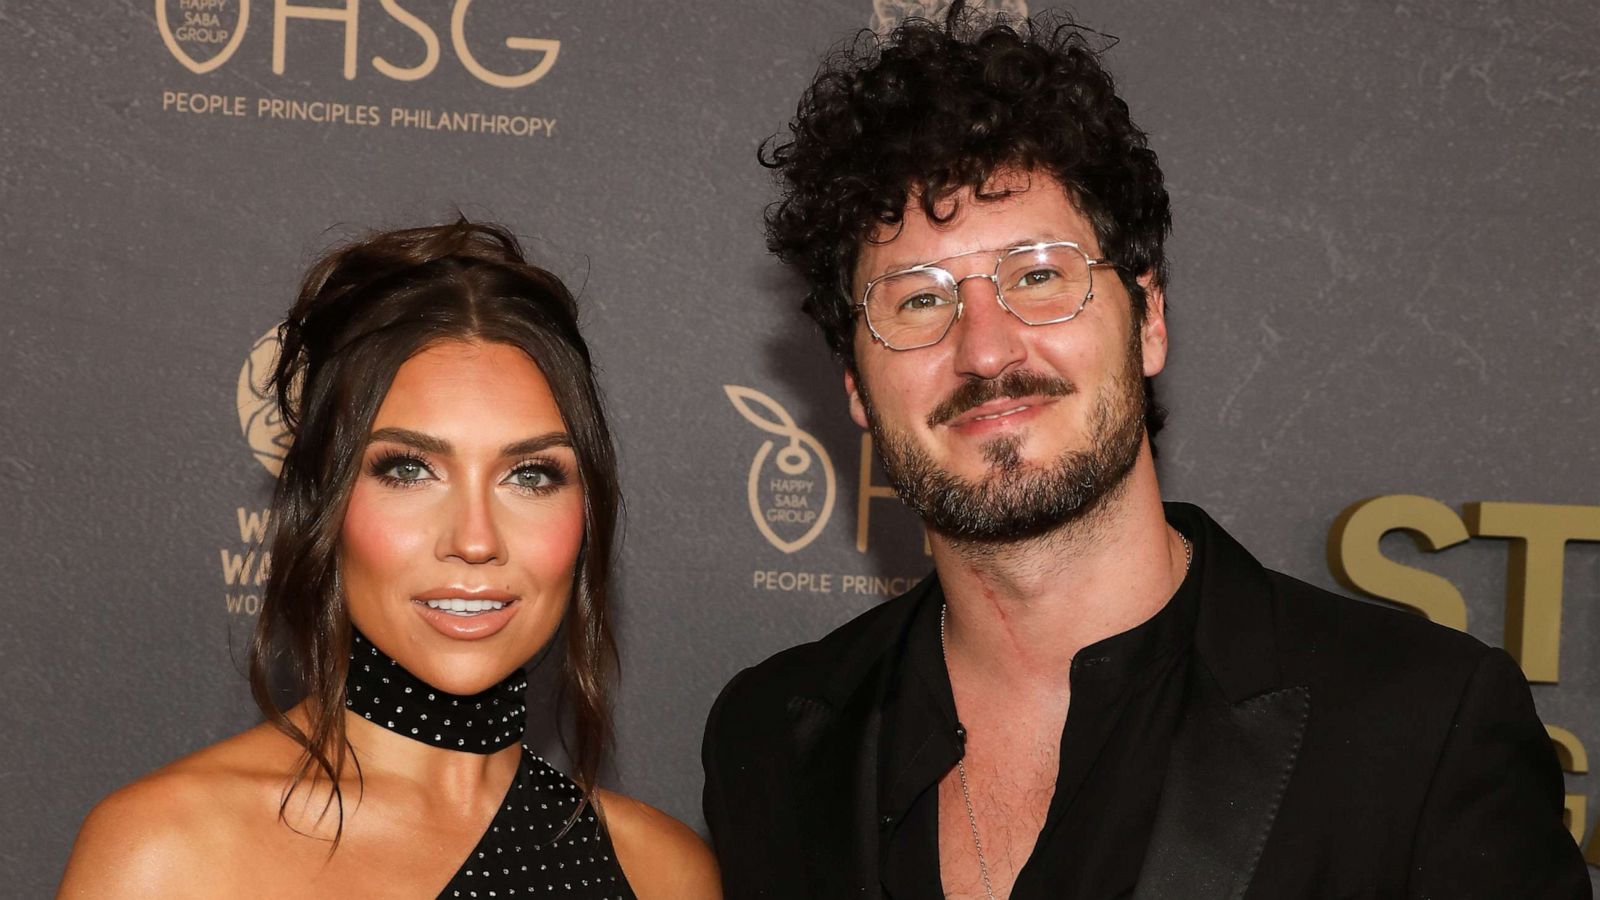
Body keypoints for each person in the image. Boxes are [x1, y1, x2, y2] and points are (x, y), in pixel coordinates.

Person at [701, 7, 1590, 899]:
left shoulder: (1420, 730)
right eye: (917, 301)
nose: (985, 349)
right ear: (854, 385)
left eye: (1039, 275)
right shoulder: (769, 739)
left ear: (1150, 317)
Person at [61, 221, 719, 898]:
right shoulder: (167, 852)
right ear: (325, 503)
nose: (473, 538)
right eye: (408, 470)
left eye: (529, 475)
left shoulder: (661, 872)